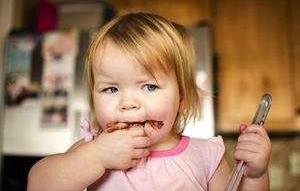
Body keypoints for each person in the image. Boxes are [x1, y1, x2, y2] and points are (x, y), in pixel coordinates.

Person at [27, 12, 271, 191]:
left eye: (149, 86)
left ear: (182, 98)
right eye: (111, 88)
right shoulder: (95, 148)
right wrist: (97, 156)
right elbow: (38, 185)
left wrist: (256, 175)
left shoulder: (206, 157)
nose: (128, 102)